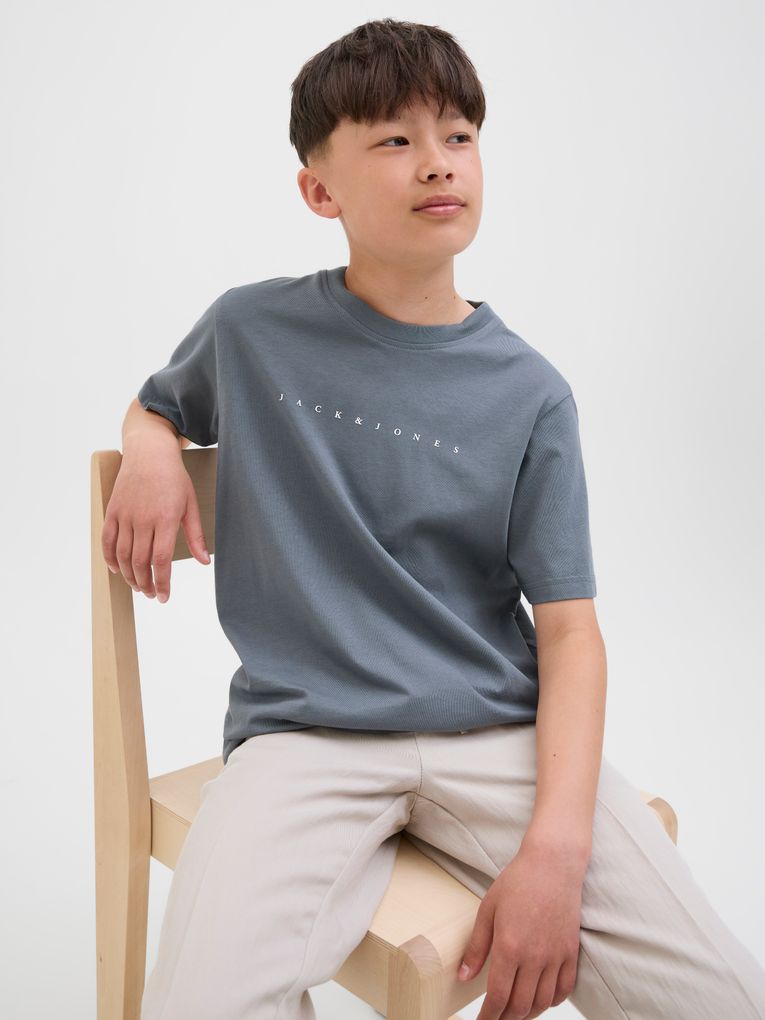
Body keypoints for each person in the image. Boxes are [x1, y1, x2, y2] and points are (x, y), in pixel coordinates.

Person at [102, 17, 765, 1020]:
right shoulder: (250, 330)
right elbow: (158, 404)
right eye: (394, 139)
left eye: (458, 135)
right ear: (319, 190)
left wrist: (555, 852)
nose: (437, 162)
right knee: (201, 1003)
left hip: (497, 734)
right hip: (303, 737)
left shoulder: (531, 393)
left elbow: (571, 632)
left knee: (721, 997)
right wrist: (151, 442)